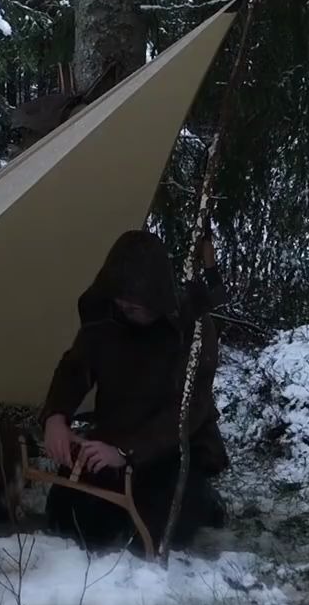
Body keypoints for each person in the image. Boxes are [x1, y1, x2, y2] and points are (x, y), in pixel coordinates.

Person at [39, 229, 228, 550]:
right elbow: (75, 369)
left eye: (135, 304)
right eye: (121, 301)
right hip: (116, 440)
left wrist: (127, 451)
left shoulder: (192, 328)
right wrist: (56, 417)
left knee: (156, 534)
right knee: (67, 519)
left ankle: (206, 503)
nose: (125, 308)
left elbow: (188, 410)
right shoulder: (105, 320)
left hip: (174, 449)